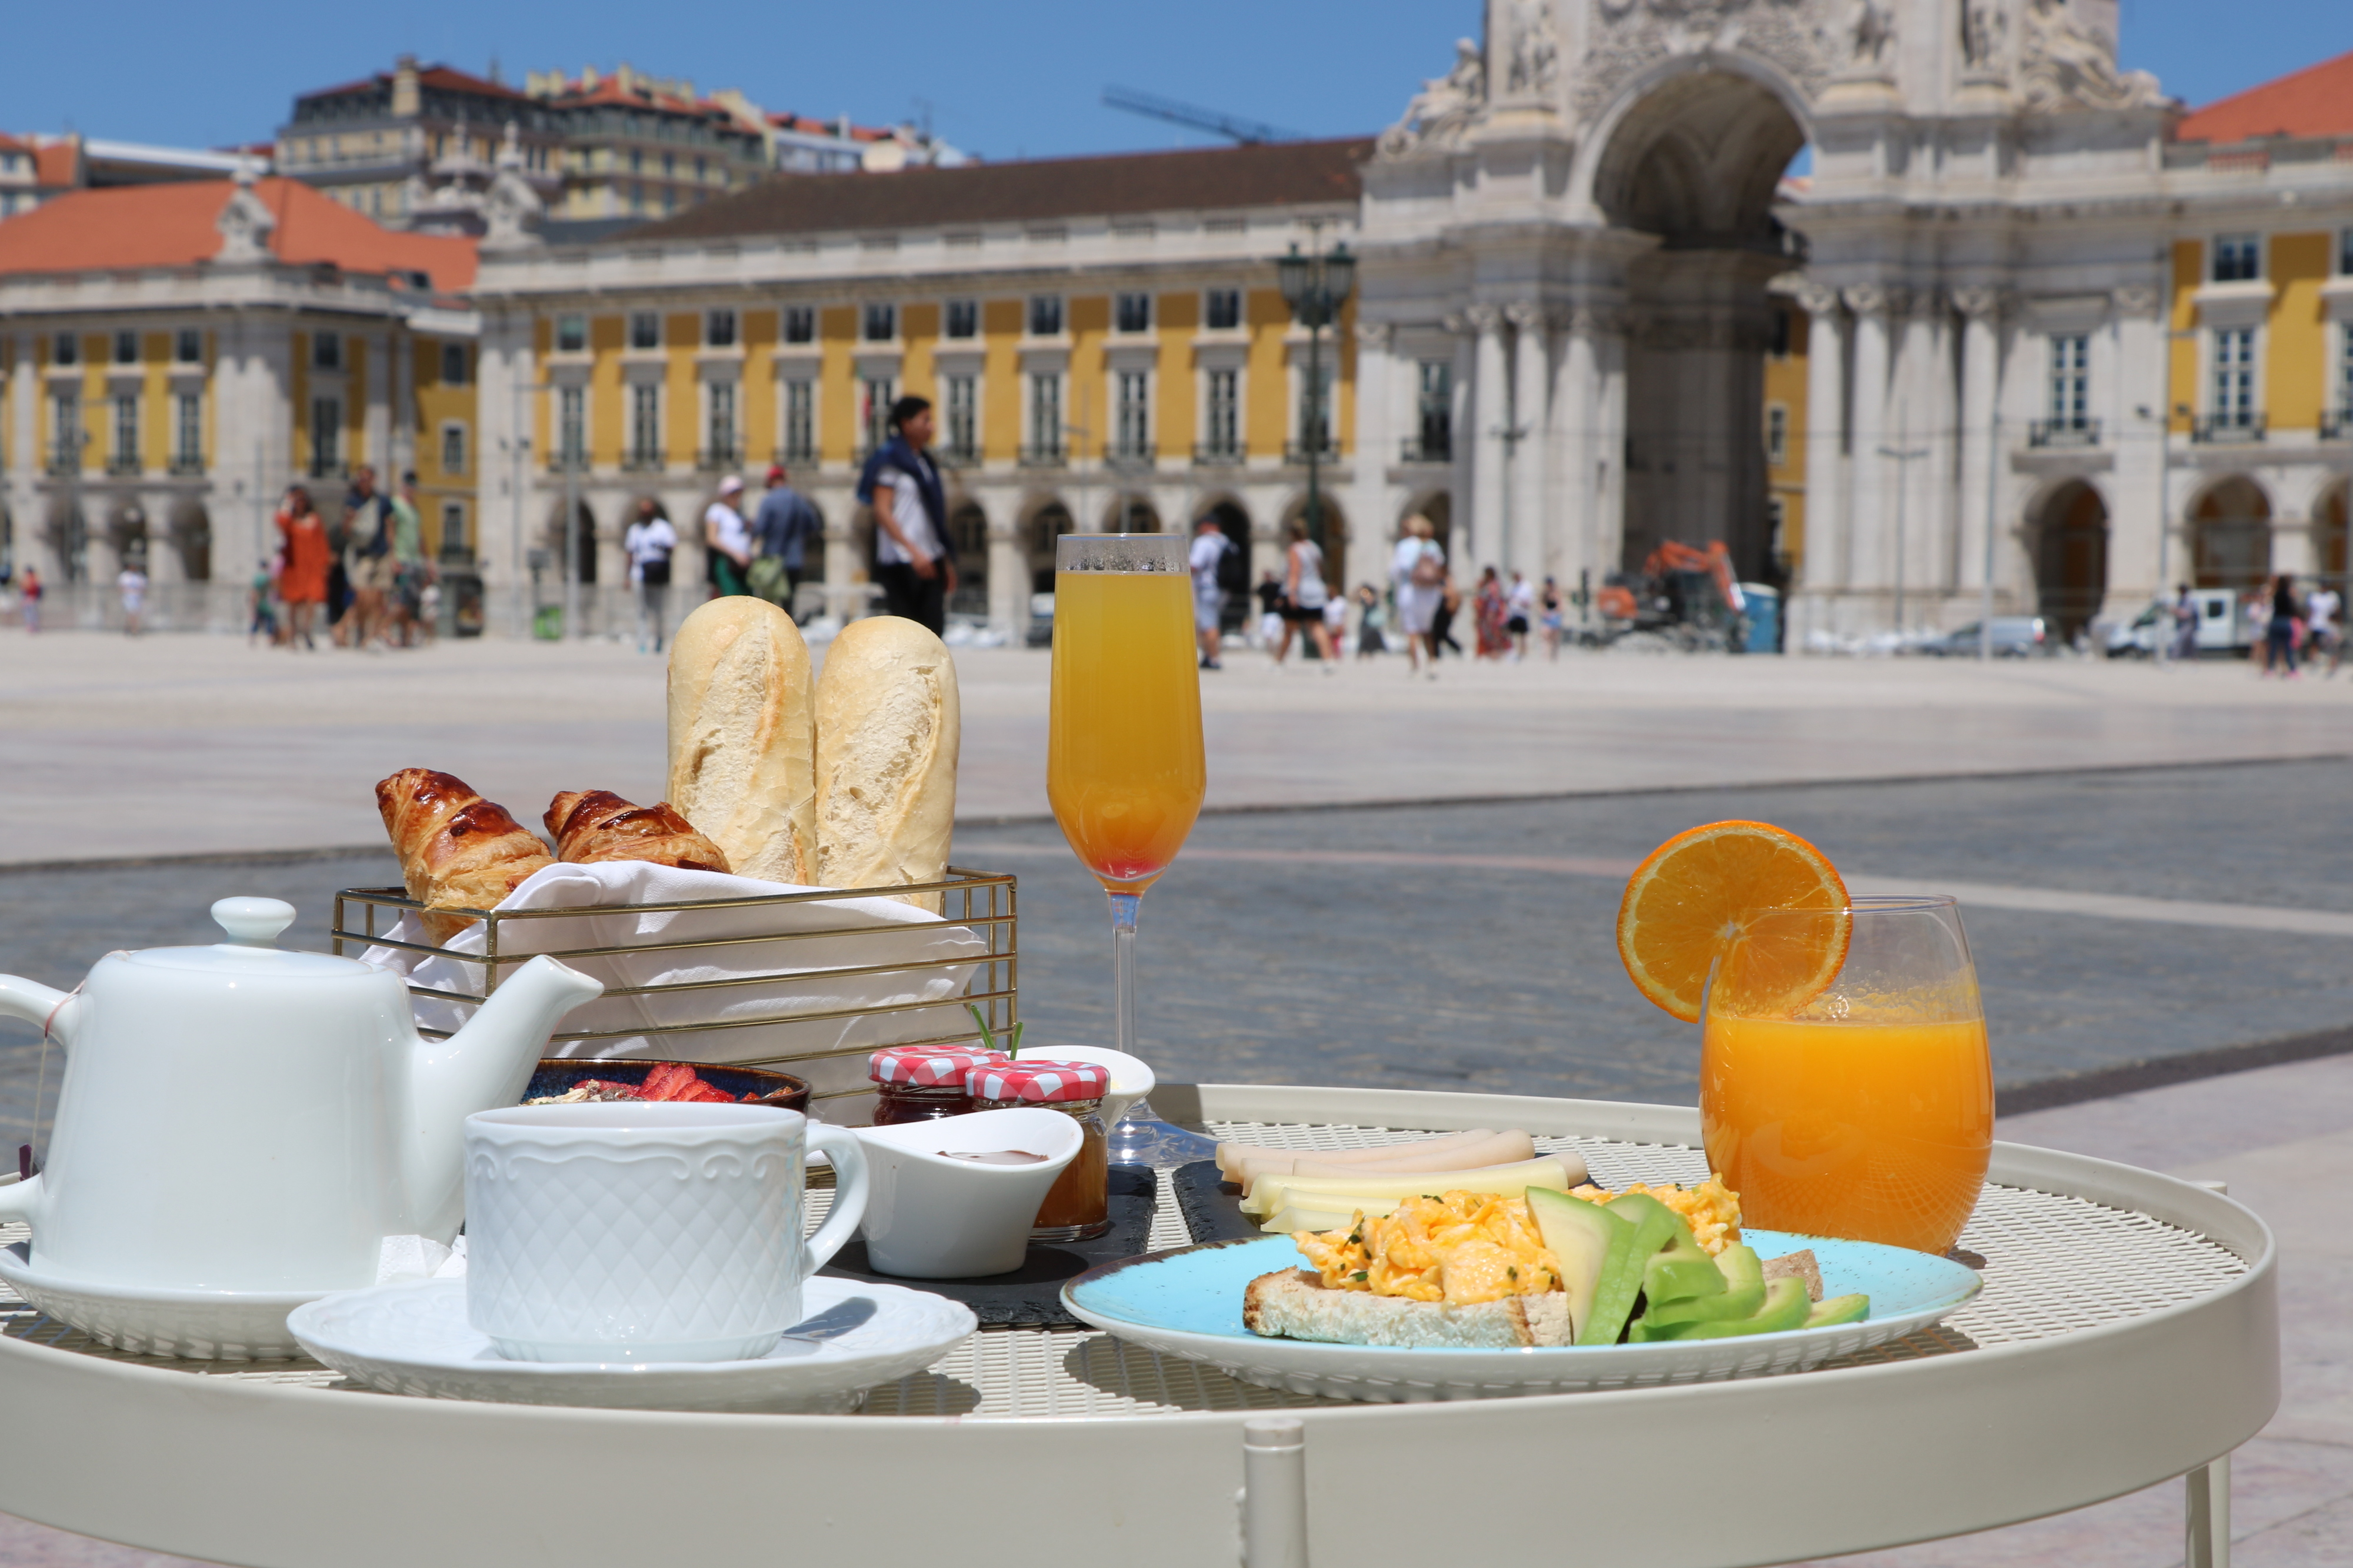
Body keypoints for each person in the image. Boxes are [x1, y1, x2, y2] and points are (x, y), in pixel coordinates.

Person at [858, 395, 954, 633]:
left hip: (929, 555)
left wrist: (946, 561)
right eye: (926, 420)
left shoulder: (924, 461)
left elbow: (933, 516)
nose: (931, 426)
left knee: (934, 630)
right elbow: (882, 511)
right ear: (906, 424)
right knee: (908, 632)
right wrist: (913, 551)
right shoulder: (890, 460)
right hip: (902, 560)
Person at [750, 465, 824, 620]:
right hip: (795, 559)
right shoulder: (799, 500)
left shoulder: (769, 500)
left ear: (771, 481)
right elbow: (813, 525)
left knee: (770, 602)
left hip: (772, 559)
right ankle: (789, 632)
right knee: (789, 601)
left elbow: (760, 529)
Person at [341, 466, 393, 648]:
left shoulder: (383, 501)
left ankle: (372, 635)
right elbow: (346, 533)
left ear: (373, 480)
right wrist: (349, 520)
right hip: (362, 554)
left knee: (379, 597)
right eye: (361, 478)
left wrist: (392, 554)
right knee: (362, 595)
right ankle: (360, 631)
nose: (364, 482)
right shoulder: (353, 501)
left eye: (368, 478)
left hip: (382, 553)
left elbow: (389, 527)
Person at [1274, 521, 1338, 667]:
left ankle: (1278, 661)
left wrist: (1292, 594)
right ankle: (1328, 660)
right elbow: (1320, 570)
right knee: (1317, 626)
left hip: (1300, 591)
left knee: (1289, 629)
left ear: (1291, 534)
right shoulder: (1314, 548)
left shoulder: (1295, 549)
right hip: (1316, 590)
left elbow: (1295, 572)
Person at [1390, 515, 1445, 679]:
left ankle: (1415, 665)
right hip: (1430, 592)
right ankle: (1433, 663)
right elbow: (1440, 566)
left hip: (1410, 590)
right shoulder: (1433, 545)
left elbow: (1396, 571)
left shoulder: (1404, 546)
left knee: (1411, 630)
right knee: (1428, 630)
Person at [274, 486, 328, 650]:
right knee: (293, 603)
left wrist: (324, 563)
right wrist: (286, 503)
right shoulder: (290, 522)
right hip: (294, 567)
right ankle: (292, 635)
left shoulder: (314, 520)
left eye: (302, 499)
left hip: (312, 567)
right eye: (296, 500)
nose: (300, 503)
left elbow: (321, 543)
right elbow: (280, 521)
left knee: (312, 599)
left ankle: (306, 630)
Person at [624, 497, 678, 654]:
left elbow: (671, 547)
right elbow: (629, 553)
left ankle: (659, 639)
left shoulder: (663, 528)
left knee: (659, 610)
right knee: (642, 610)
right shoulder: (634, 530)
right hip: (639, 574)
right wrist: (627, 577)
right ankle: (642, 642)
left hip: (658, 574)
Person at [385, 472, 429, 648]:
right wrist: (393, 557)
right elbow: (390, 530)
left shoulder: (414, 509)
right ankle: (384, 628)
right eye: (408, 484)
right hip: (402, 559)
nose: (411, 488)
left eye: (414, 485)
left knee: (412, 602)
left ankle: (405, 638)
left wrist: (428, 561)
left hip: (415, 561)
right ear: (402, 485)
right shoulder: (396, 504)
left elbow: (420, 537)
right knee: (401, 600)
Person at [1189, 515, 1233, 669]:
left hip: (1207, 587)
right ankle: (1209, 656)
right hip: (1223, 589)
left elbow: (1195, 565)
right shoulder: (1225, 542)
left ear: (1208, 525)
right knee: (1212, 622)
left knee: (1208, 625)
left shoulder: (1204, 542)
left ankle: (1214, 659)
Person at [704, 475, 753, 599]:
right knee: (730, 597)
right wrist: (735, 555)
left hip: (742, 565)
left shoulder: (740, 514)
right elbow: (712, 538)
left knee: (745, 598)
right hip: (726, 562)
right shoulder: (717, 510)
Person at [2264, 573, 2301, 677]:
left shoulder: (2276, 594)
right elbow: (2293, 609)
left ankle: (2270, 670)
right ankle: (2293, 670)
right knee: (2288, 648)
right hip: (2286, 622)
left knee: (2274, 647)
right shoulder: (2289, 594)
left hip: (2276, 621)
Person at [1473, 566, 1510, 660]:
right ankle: (1487, 653)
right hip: (1485, 613)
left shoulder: (1494, 586)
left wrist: (1491, 614)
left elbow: (1495, 601)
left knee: (1495, 634)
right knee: (1486, 634)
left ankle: (1496, 653)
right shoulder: (1486, 585)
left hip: (1493, 614)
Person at [2306, 579, 2341, 676]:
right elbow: (2311, 611)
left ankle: (2332, 667)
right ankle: (2313, 664)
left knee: (2332, 646)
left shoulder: (2332, 596)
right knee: (2314, 644)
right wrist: (2308, 624)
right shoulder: (2315, 597)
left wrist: (2337, 624)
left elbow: (2337, 611)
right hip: (2316, 624)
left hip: (2329, 624)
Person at [1432, 569, 1465, 659]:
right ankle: (1436, 654)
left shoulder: (1447, 580)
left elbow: (1451, 593)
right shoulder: (1442, 580)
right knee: (1437, 634)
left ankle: (1457, 648)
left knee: (1442, 634)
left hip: (1445, 611)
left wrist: (1440, 589)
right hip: (1441, 610)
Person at [248, 556, 279, 646]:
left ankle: (252, 638)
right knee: (270, 620)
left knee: (256, 621)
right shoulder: (268, 576)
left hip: (258, 602)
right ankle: (270, 639)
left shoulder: (257, 576)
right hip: (265, 602)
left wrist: (252, 603)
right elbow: (273, 588)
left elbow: (254, 591)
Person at [1505, 570, 1535, 661]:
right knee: (1510, 633)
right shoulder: (1511, 586)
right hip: (1513, 613)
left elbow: (1530, 601)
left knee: (1523, 634)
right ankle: (1513, 651)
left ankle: (1523, 653)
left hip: (1523, 613)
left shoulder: (1527, 587)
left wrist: (1522, 603)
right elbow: (1507, 598)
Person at [1252, 570, 1285, 649]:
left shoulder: (1277, 586)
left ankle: (1277, 648)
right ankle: (1271, 648)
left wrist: (1280, 601)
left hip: (1276, 612)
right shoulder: (1264, 586)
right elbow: (1255, 593)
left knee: (1277, 633)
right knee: (1267, 633)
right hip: (1267, 612)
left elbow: (1284, 593)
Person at [1354, 583, 1387, 659]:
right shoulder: (1365, 597)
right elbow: (1354, 599)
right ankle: (1363, 652)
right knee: (1363, 636)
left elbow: (1370, 602)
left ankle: (1369, 652)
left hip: (1370, 620)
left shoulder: (1371, 597)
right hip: (1366, 620)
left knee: (1369, 637)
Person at [116, 559, 147, 636]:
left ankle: (130, 628)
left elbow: (143, 587)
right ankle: (134, 629)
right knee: (131, 613)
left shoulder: (139, 577)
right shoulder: (125, 576)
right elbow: (121, 586)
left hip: (137, 597)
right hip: (128, 597)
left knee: (135, 614)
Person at [2170, 583, 2199, 664]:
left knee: (2179, 642)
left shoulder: (2189, 600)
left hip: (2187, 624)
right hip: (2183, 624)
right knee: (2190, 644)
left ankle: (2173, 659)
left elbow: (2187, 614)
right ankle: (2194, 659)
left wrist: (2176, 611)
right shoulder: (2181, 599)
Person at [1539, 576, 1565, 660]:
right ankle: (1546, 655)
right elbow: (1541, 605)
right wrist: (1544, 612)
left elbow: (1560, 605)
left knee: (1555, 637)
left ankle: (1554, 655)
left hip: (1555, 616)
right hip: (1547, 616)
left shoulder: (1557, 593)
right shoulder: (1544, 593)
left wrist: (1556, 612)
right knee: (1546, 635)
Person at [17, 564, 41, 633]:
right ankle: (30, 626)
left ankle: (32, 627)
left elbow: (35, 591)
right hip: (28, 599)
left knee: (31, 614)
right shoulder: (28, 580)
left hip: (32, 599)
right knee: (29, 614)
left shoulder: (33, 580)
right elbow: (23, 591)